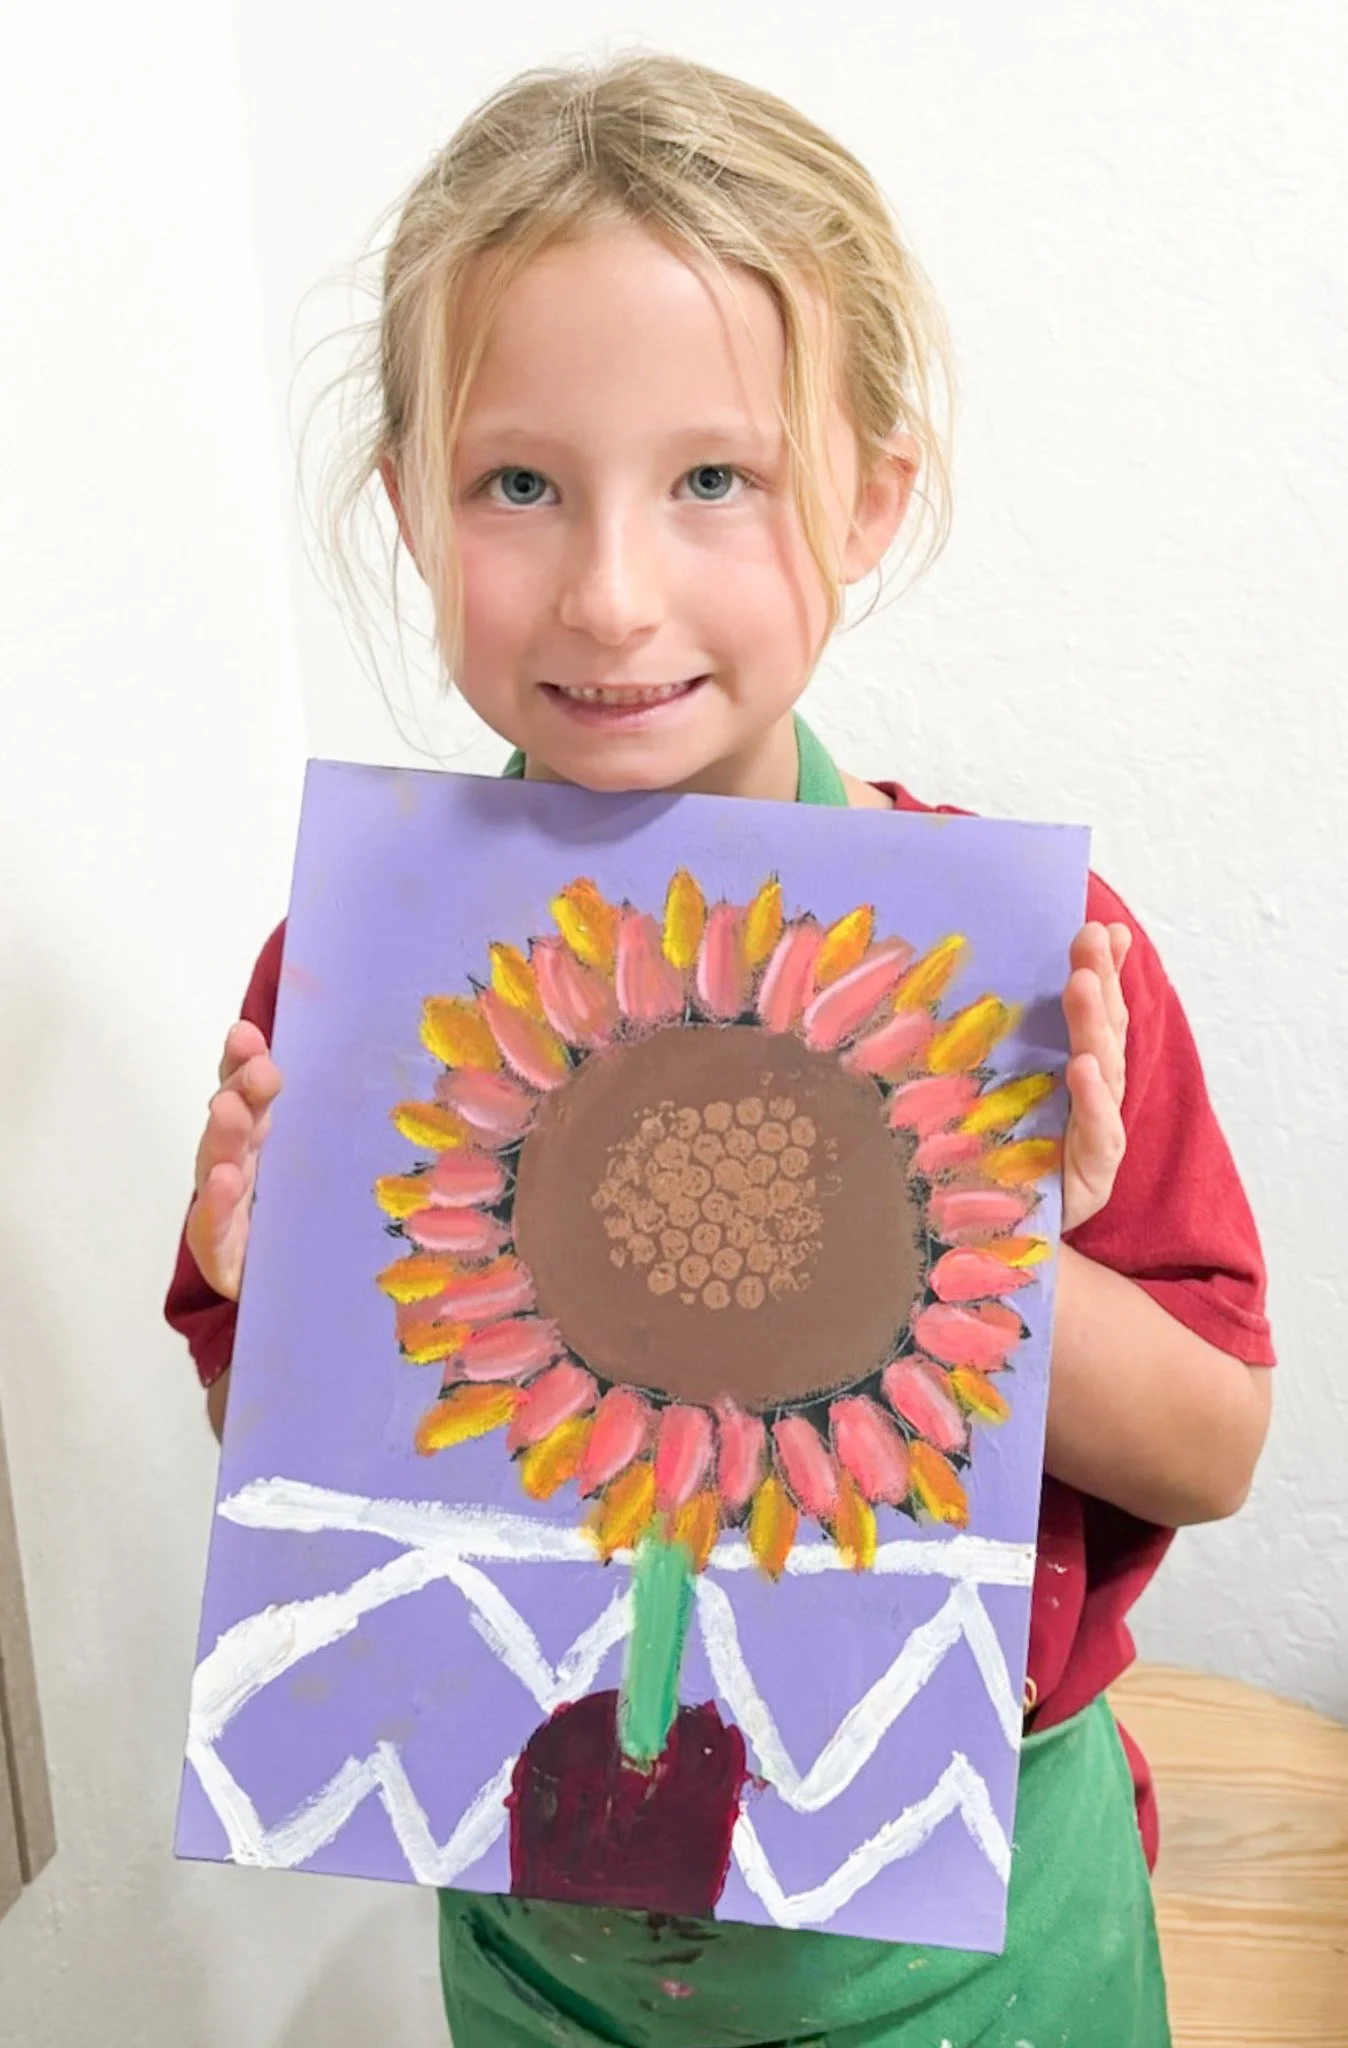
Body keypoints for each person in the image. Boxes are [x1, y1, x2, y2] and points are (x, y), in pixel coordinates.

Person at [164, 52, 1275, 2047]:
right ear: (402, 503)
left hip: (979, 1952)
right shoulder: (349, 974)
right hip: (539, 1952)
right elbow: (316, 1479)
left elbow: (1209, 1443)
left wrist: (981, 1257)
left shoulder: (1045, 978)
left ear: (864, 495)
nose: (608, 588)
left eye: (712, 479)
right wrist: (281, 1310)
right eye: (518, 482)